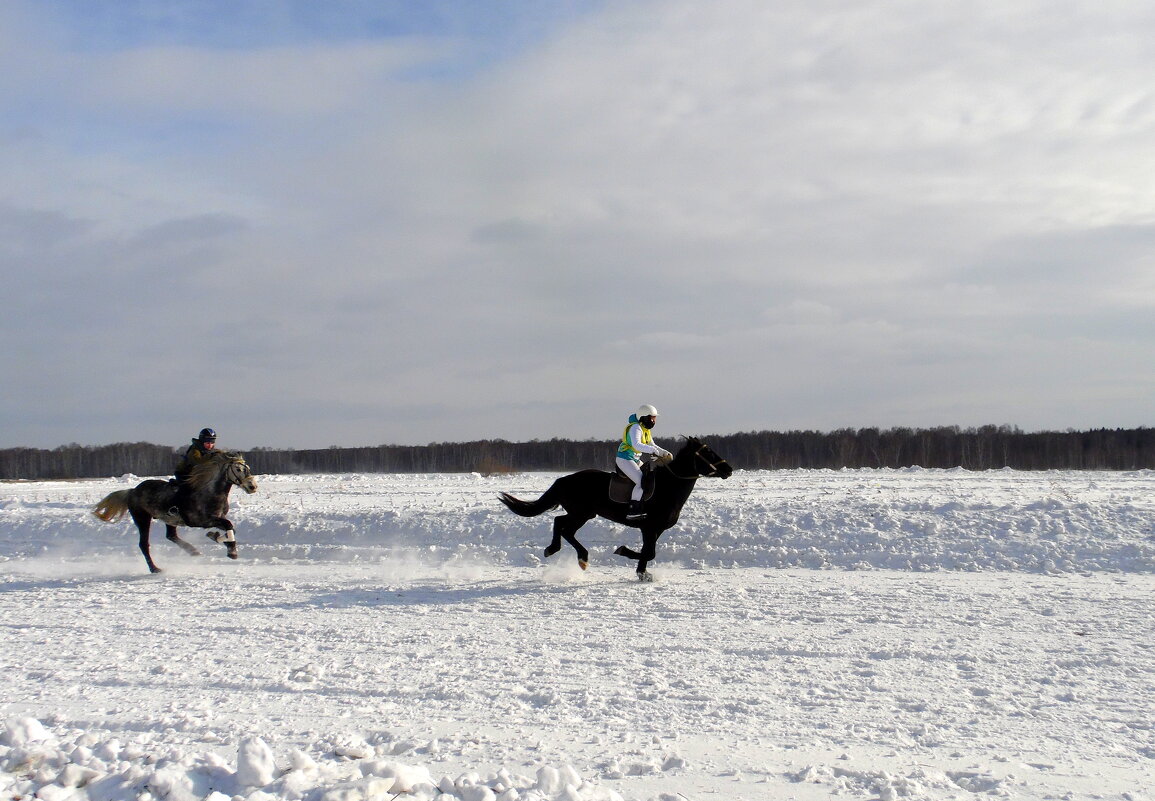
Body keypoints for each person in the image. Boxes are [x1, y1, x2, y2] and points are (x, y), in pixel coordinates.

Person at [616, 405, 672, 520]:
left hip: (635, 459)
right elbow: (636, 444)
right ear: (644, 417)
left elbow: (652, 445)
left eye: (655, 418)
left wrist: (664, 453)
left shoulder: (645, 430)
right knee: (642, 481)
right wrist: (653, 451)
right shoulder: (635, 427)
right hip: (625, 459)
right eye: (652, 418)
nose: (654, 421)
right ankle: (633, 510)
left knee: (650, 479)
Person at [170, 428, 217, 516]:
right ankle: (175, 507)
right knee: (186, 489)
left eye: (212, 443)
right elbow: (198, 461)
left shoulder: (213, 451)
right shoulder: (195, 450)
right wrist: (213, 457)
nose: (210, 446)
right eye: (207, 443)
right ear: (202, 441)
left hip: (197, 475)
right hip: (185, 473)